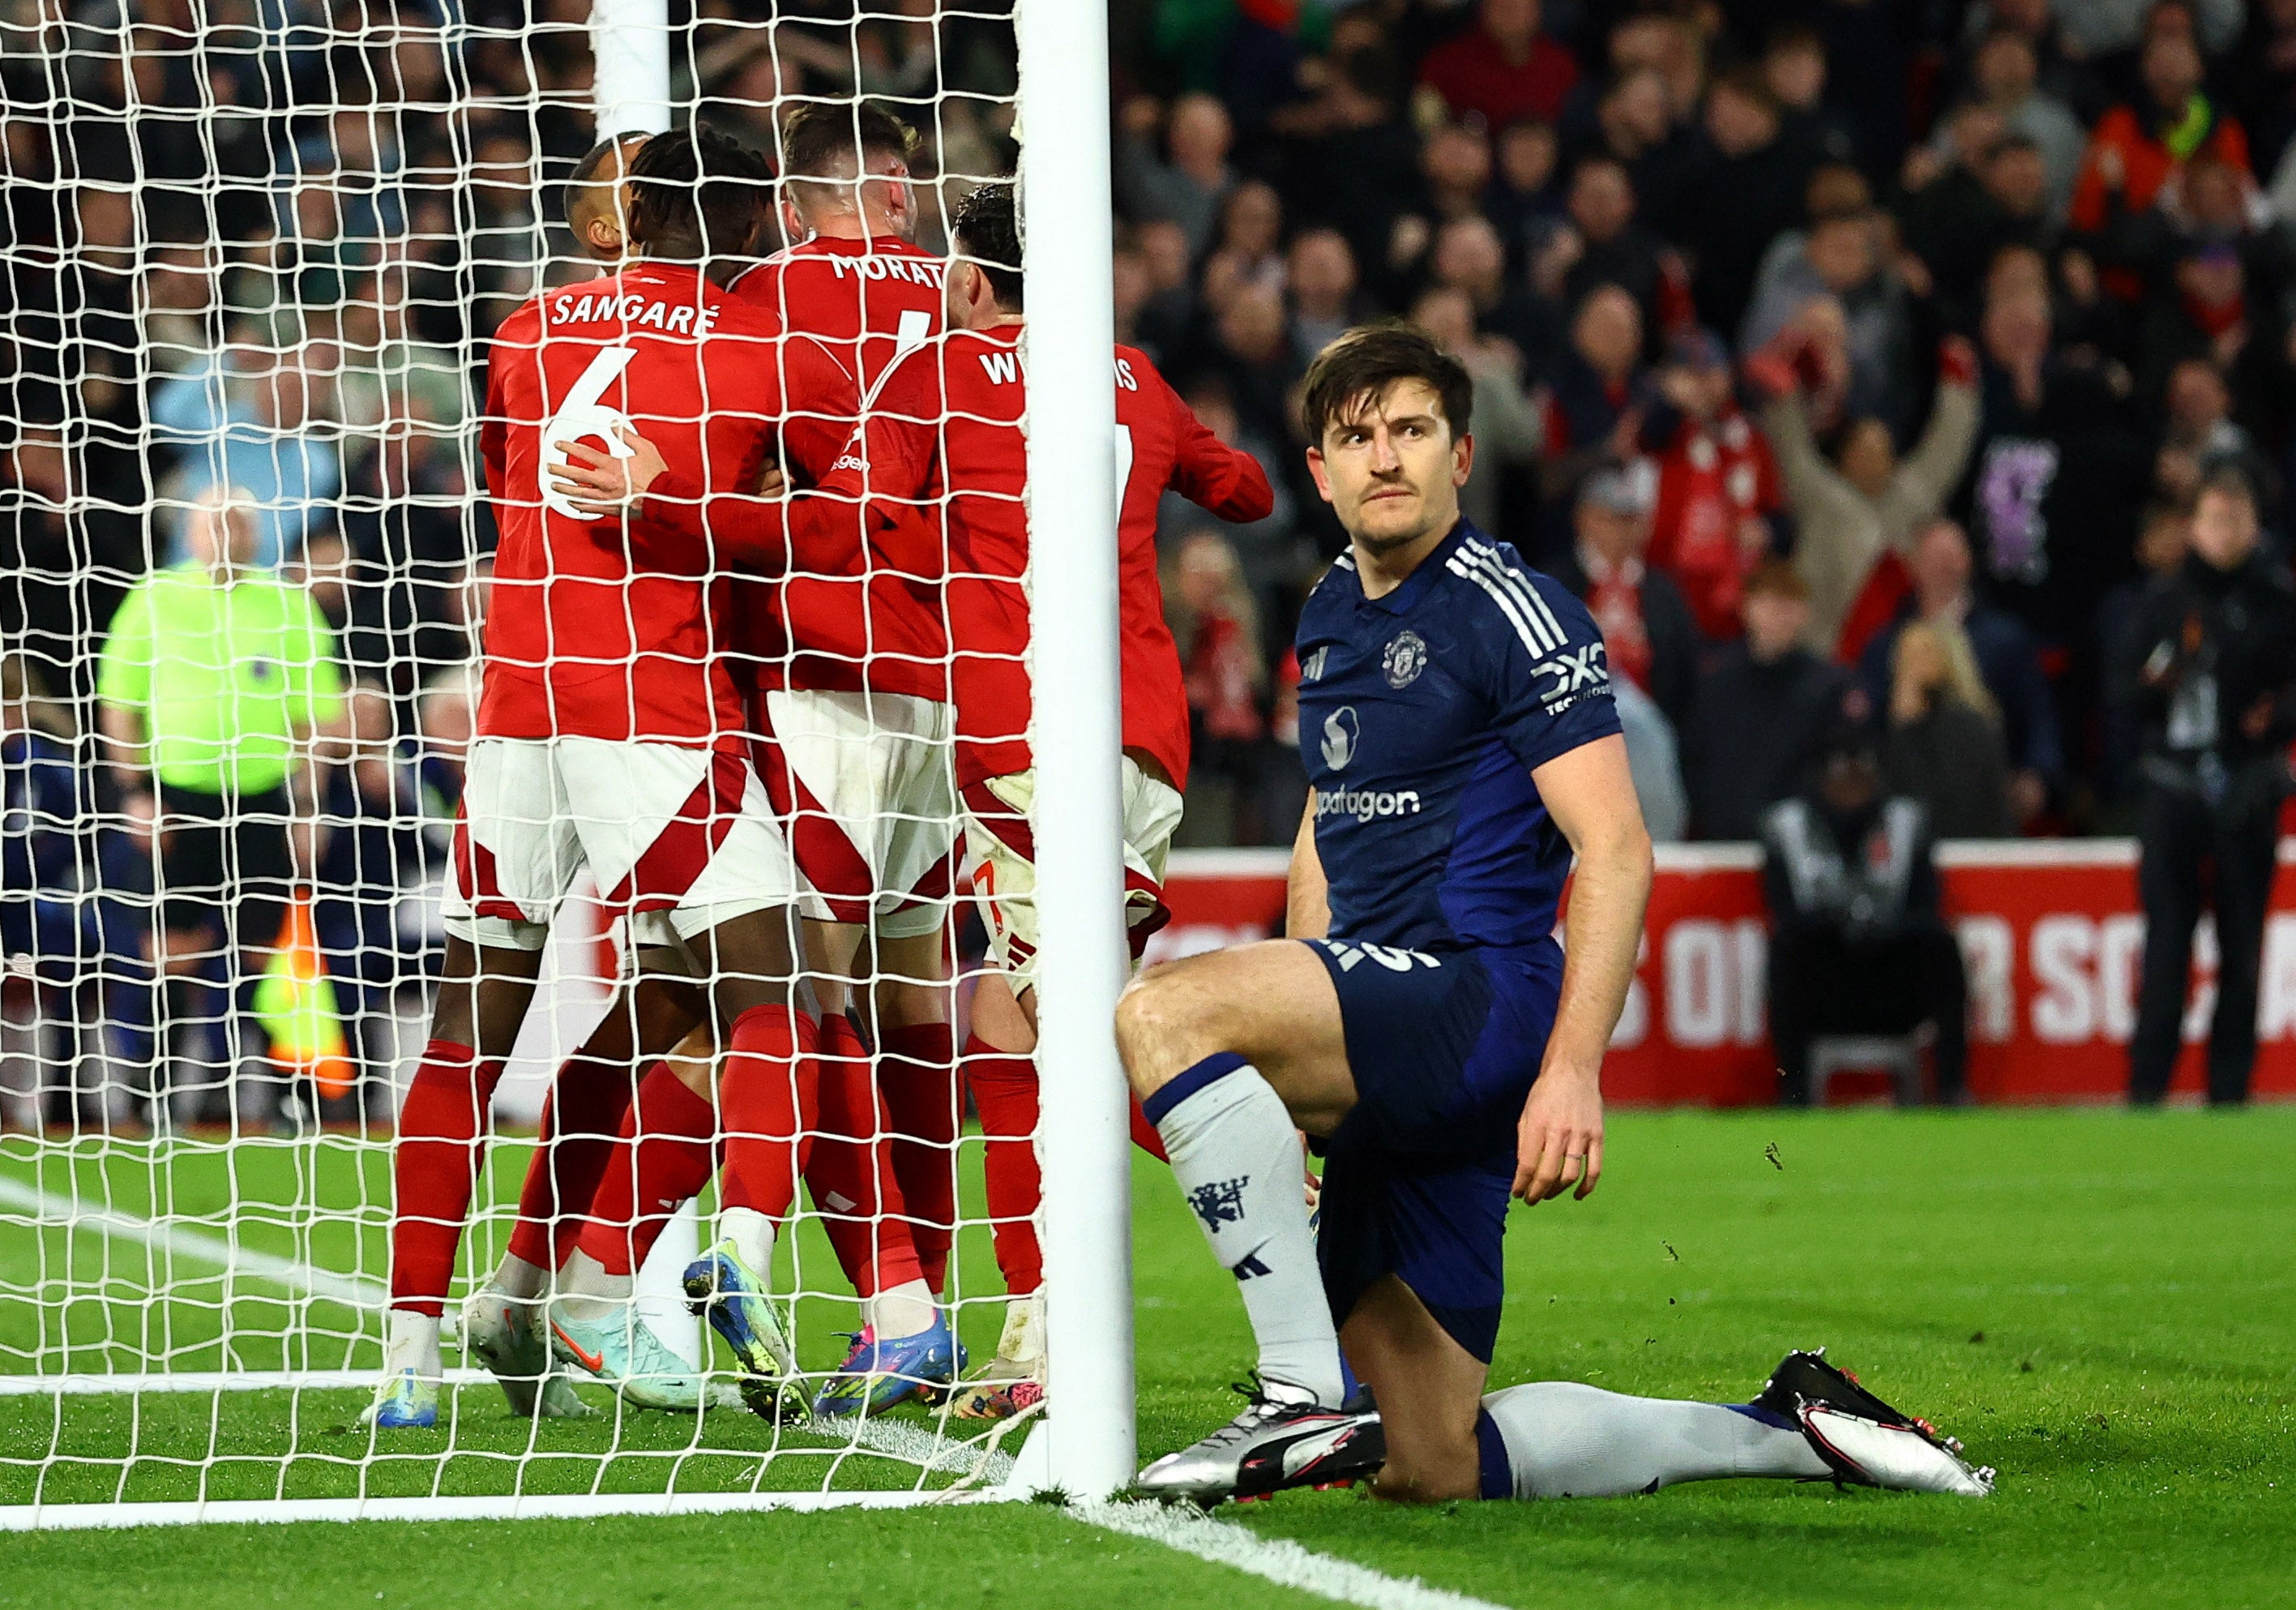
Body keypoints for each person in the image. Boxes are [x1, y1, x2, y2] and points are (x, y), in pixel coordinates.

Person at [1112, 324, 1986, 1507]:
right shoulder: (1326, 609)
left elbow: (1616, 846)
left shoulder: (1510, 610)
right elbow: (1330, 811)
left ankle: (1294, 1388)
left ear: (1461, 453)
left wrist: (1572, 1068)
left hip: (1472, 1002)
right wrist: (1310, 1032)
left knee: (1160, 1012)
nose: (1385, 458)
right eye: (1356, 437)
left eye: (1411, 430)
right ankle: (1782, 1426)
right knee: (1433, 1461)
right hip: (1380, 1018)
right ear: (1316, 469)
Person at [556, 182, 1276, 1421]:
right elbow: (1250, 491)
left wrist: (669, 500)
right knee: (1009, 1031)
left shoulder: (939, 374)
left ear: (974, 280)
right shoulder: (1135, 376)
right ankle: (1018, 1326)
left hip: (1018, 733)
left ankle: (1287, 1185)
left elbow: (840, 526)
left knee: (1063, 1039)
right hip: (1146, 734)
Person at [365, 126, 839, 1430]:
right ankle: (733, 1250)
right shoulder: (763, 348)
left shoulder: (522, 332)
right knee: (770, 970)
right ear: (760, 225)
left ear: (625, 210)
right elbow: (819, 524)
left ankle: (430, 1348)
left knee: (476, 1022)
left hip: (516, 698)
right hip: (648, 702)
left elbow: (506, 484)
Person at [97, 485, 344, 1130]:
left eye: (239, 522)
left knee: (268, 959)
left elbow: (318, 717)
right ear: (191, 532)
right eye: (215, 522)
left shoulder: (288, 605)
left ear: (257, 535)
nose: (227, 534)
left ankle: (287, 1101)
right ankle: (150, 1104)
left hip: (264, 799)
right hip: (174, 801)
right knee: (170, 956)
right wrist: (135, 793)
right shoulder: (153, 599)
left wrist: (309, 804)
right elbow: (120, 704)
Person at [2117, 472, 2296, 1106]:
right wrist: (2155, 680)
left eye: (2236, 518)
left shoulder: (2276, 600)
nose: (2224, 531)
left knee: (2240, 949)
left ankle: (2228, 1093)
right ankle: (2146, 1093)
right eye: (2214, 518)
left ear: (2254, 526)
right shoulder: (2162, 601)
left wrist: (2272, 722)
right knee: (2165, 945)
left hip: (2245, 788)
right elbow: (2123, 695)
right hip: (2173, 788)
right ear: (2191, 526)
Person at [1761, 723, 1970, 1107]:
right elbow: (1785, 913)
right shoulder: (1787, 827)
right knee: (1787, 949)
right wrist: (1842, 925)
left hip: (1891, 984)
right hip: (1824, 985)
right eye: (1840, 772)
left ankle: (1952, 1088)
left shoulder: (1906, 822)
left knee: (1939, 944)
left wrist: (1878, 930)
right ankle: (1793, 1092)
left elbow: (1927, 907)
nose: (1852, 785)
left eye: (1862, 771)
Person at [1682, 560, 1848, 840]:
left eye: (1789, 605)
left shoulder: (1827, 688)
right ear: (1746, 608)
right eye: (1770, 604)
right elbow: (1695, 757)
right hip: (1725, 842)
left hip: (1796, 847)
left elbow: (1834, 770)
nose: (1779, 616)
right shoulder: (1717, 683)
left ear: (1803, 613)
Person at [1880, 620, 2016, 839]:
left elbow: (1943, 811)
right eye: (1905, 655)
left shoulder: (1969, 729)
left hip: (1967, 856)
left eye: (1922, 655)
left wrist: (1907, 730)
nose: (1911, 666)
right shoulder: (1883, 727)